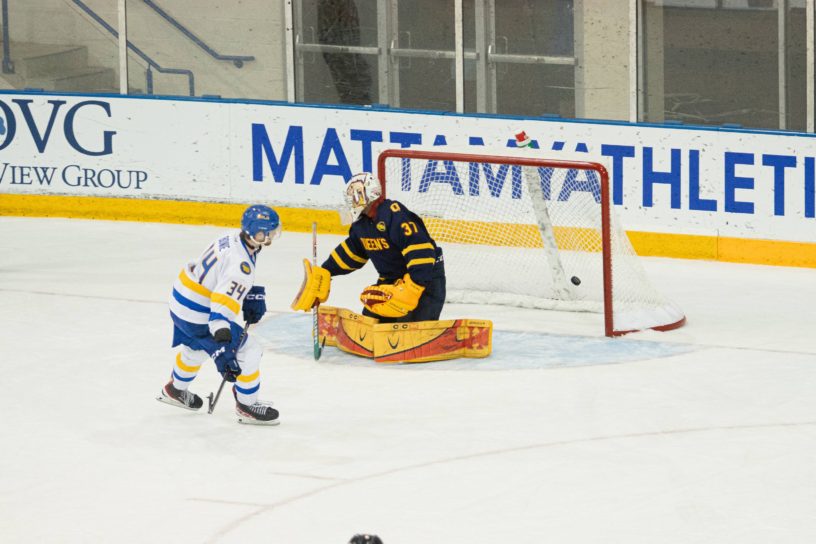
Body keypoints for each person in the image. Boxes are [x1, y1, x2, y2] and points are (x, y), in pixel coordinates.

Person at [157, 204, 281, 425]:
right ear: (257, 233)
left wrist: (249, 293)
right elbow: (219, 313)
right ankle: (247, 405)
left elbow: (220, 275)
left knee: (195, 348)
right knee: (249, 349)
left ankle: (175, 389)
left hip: (182, 300)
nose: (272, 236)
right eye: (269, 232)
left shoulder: (233, 237)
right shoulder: (240, 267)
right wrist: (223, 347)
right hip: (199, 313)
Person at [293, 172, 445, 323]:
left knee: (412, 334)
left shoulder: (394, 215)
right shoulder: (361, 224)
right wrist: (326, 271)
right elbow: (352, 251)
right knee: (370, 326)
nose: (351, 202)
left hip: (425, 282)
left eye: (354, 197)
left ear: (366, 195)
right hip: (391, 282)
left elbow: (421, 251)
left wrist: (413, 287)